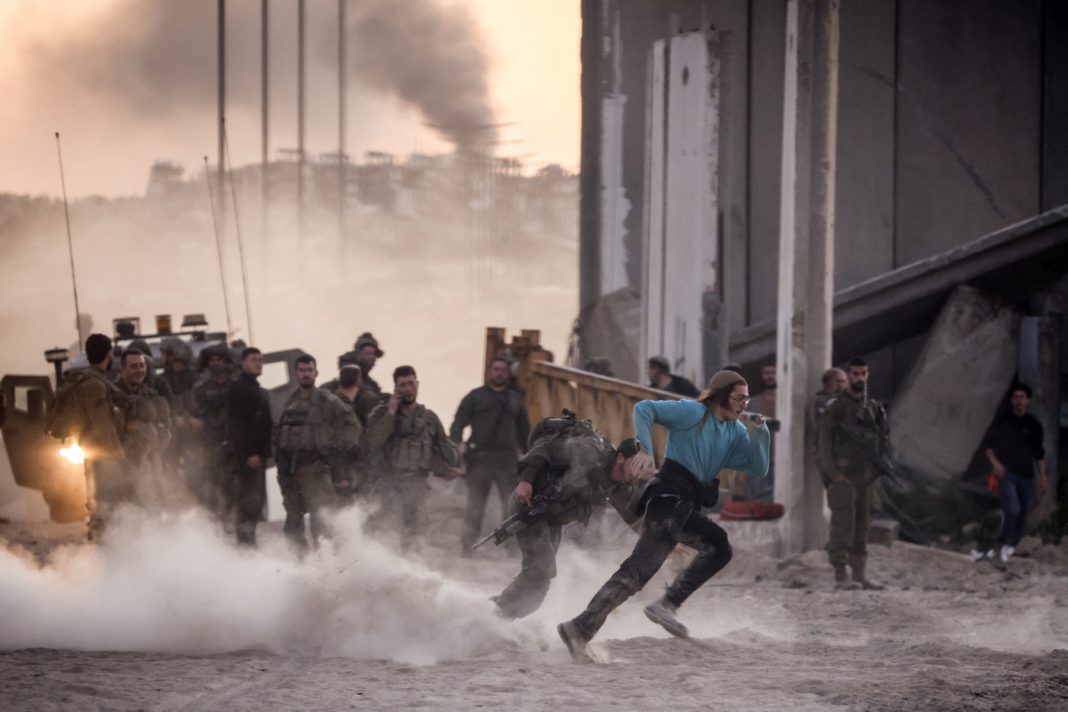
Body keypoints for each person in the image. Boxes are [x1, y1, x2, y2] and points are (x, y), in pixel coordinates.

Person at [557, 370, 770, 660]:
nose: (744, 404)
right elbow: (644, 408)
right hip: (668, 500)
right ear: (721, 395)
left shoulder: (735, 432)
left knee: (634, 575)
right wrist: (645, 450)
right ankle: (666, 604)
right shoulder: (694, 413)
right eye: (739, 398)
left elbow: (758, 468)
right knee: (719, 545)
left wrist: (760, 435)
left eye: (747, 399)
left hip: (679, 507)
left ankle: (580, 628)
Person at [493, 424, 641, 619]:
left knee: (541, 577)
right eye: (636, 463)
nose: (640, 470)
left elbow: (633, 516)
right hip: (529, 506)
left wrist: (665, 542)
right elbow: (544, 450)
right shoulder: (590, 452)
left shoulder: (619, 486)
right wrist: (525, 481)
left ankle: (501, 613)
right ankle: (500, 613)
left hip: (552, 520)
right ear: (621, 457)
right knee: (541, 570)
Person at [364, 365, 462, 549]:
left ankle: (411, 562)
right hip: (388, 482)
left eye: (411, 384)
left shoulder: (429, 418)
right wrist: (391, 412)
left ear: (418, 384)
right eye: (402, 385)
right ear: (396, 388)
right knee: (385, 531)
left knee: (416, 533)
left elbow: (443, 446)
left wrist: (451, 468)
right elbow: (372, 442)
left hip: (416, 483)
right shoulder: (382, 413)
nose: (408, 389)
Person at [817, 357, 888, 591]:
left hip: (866, 475)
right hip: (844, 474)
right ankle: (840, 574)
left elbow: (882, 439)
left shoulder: (873, 407)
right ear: (848, 376)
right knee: (843, 524)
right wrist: (834, 475)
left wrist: (879, 465)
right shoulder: (836, 407)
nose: (859, 378)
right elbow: (824, 444)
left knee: (862, 525)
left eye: (863, 374)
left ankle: (859, 574)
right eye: (855, 374)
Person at [276, 354, 361, 549]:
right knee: (292, 525)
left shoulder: (327, 400)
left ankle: (324, 562)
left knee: (321, 524)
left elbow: (351, 424)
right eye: (302, 370)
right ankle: (300, 562)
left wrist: (340, 451)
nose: (305, 374)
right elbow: (279, 436)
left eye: (309, 370)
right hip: (292, 472)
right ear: (296, 373)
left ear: (316, 373)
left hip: (317, 470)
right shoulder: (290, 403)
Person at [450, 357, 530, 553]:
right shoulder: (475, 397)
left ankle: (511, 548)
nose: (499, 373)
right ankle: (468, 546)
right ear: (489, 372)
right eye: (496, 369)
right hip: (480, 458)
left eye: (503, 370)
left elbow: (524, 432)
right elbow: (458, 423)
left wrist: (529, 457)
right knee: (475, 505)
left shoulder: (515, 400)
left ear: (507, 374)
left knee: (511, 505)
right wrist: (456, 446)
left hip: (507, 460)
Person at [983, 383, 1048, 562]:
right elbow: (988, 447)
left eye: (1022, 397)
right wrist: (996, 464)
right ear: (1012, 400)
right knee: (1012, 509)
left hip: (1027, 476)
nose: (1019, 401)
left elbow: (1039, 454)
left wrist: (1043, 477)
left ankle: (1011, 546)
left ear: (1027, 401)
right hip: (1007, 474)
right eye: (1016, 397)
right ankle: (1000, 542)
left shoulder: (1034, 425)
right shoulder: (1003, 421)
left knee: (1023, 513)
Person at [70, 334, 127, 540]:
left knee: (105, 502)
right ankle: (103, 545)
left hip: (98, 453)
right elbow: (102, 425)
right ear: (109, 354)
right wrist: (119, 456)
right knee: (104, 503)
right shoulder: (94, 384)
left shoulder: (97, 380)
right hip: (101, 455)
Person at [226, 347, 273, 546]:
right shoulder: (240, 388)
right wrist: (251, 453)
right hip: (249, 456)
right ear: (243, 362)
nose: (258, 363)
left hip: (257, 454)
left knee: (255, 501)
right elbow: (240, 425)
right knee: (250, 501)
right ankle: (246, 544)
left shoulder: (253, 387)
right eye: (254, 359)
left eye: (260, 360)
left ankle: (248, 541)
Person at [114, 348, 172, 507]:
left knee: (157, 505)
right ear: (123, 369)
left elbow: (165, 425)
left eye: (142, 365)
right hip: (123, 467)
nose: (139, 370)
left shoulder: (150, 394)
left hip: (152, 462)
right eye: (134, 366)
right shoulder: (112, 395)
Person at [192, 344, 235, 519]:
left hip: (233, 444)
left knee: (235, 487)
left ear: (226, 362)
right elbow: (194, 416)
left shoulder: (236, 387)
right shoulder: (200, 390)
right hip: (210, 444)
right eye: (212, 360)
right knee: (210, 486)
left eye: (219, 360)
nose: (215, 364)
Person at [321, 351, 381, 427]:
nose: (349, 374)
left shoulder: (368, 397)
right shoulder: (326, 390)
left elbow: (372, 426)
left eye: (353, 371)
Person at [353, 332, 385, 400]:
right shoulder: (349, 376)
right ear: (358, 355)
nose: (371, 358)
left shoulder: (372, 384)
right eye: (367, 354)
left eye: (373, 354)